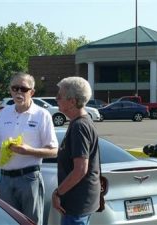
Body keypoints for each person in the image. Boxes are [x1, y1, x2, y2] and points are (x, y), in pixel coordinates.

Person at [0, 72, 58, 225]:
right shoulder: (4, 113)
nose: (18, 92)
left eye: (23, 89)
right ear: (10, 90)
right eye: (15, 88)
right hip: (5, 179)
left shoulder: (42, 115)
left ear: (32, 92)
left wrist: (29, 151)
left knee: (31, 223)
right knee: (8, 222)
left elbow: (53, 151)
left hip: (29, 179)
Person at [52, 77, 101, 225]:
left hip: (76, 205)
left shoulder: (79, 126)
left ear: (72, 101)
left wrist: (58, 193)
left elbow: (80, 169)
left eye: (59, 96)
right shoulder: (81, 123)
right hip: (81, 203)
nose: (56, 99)